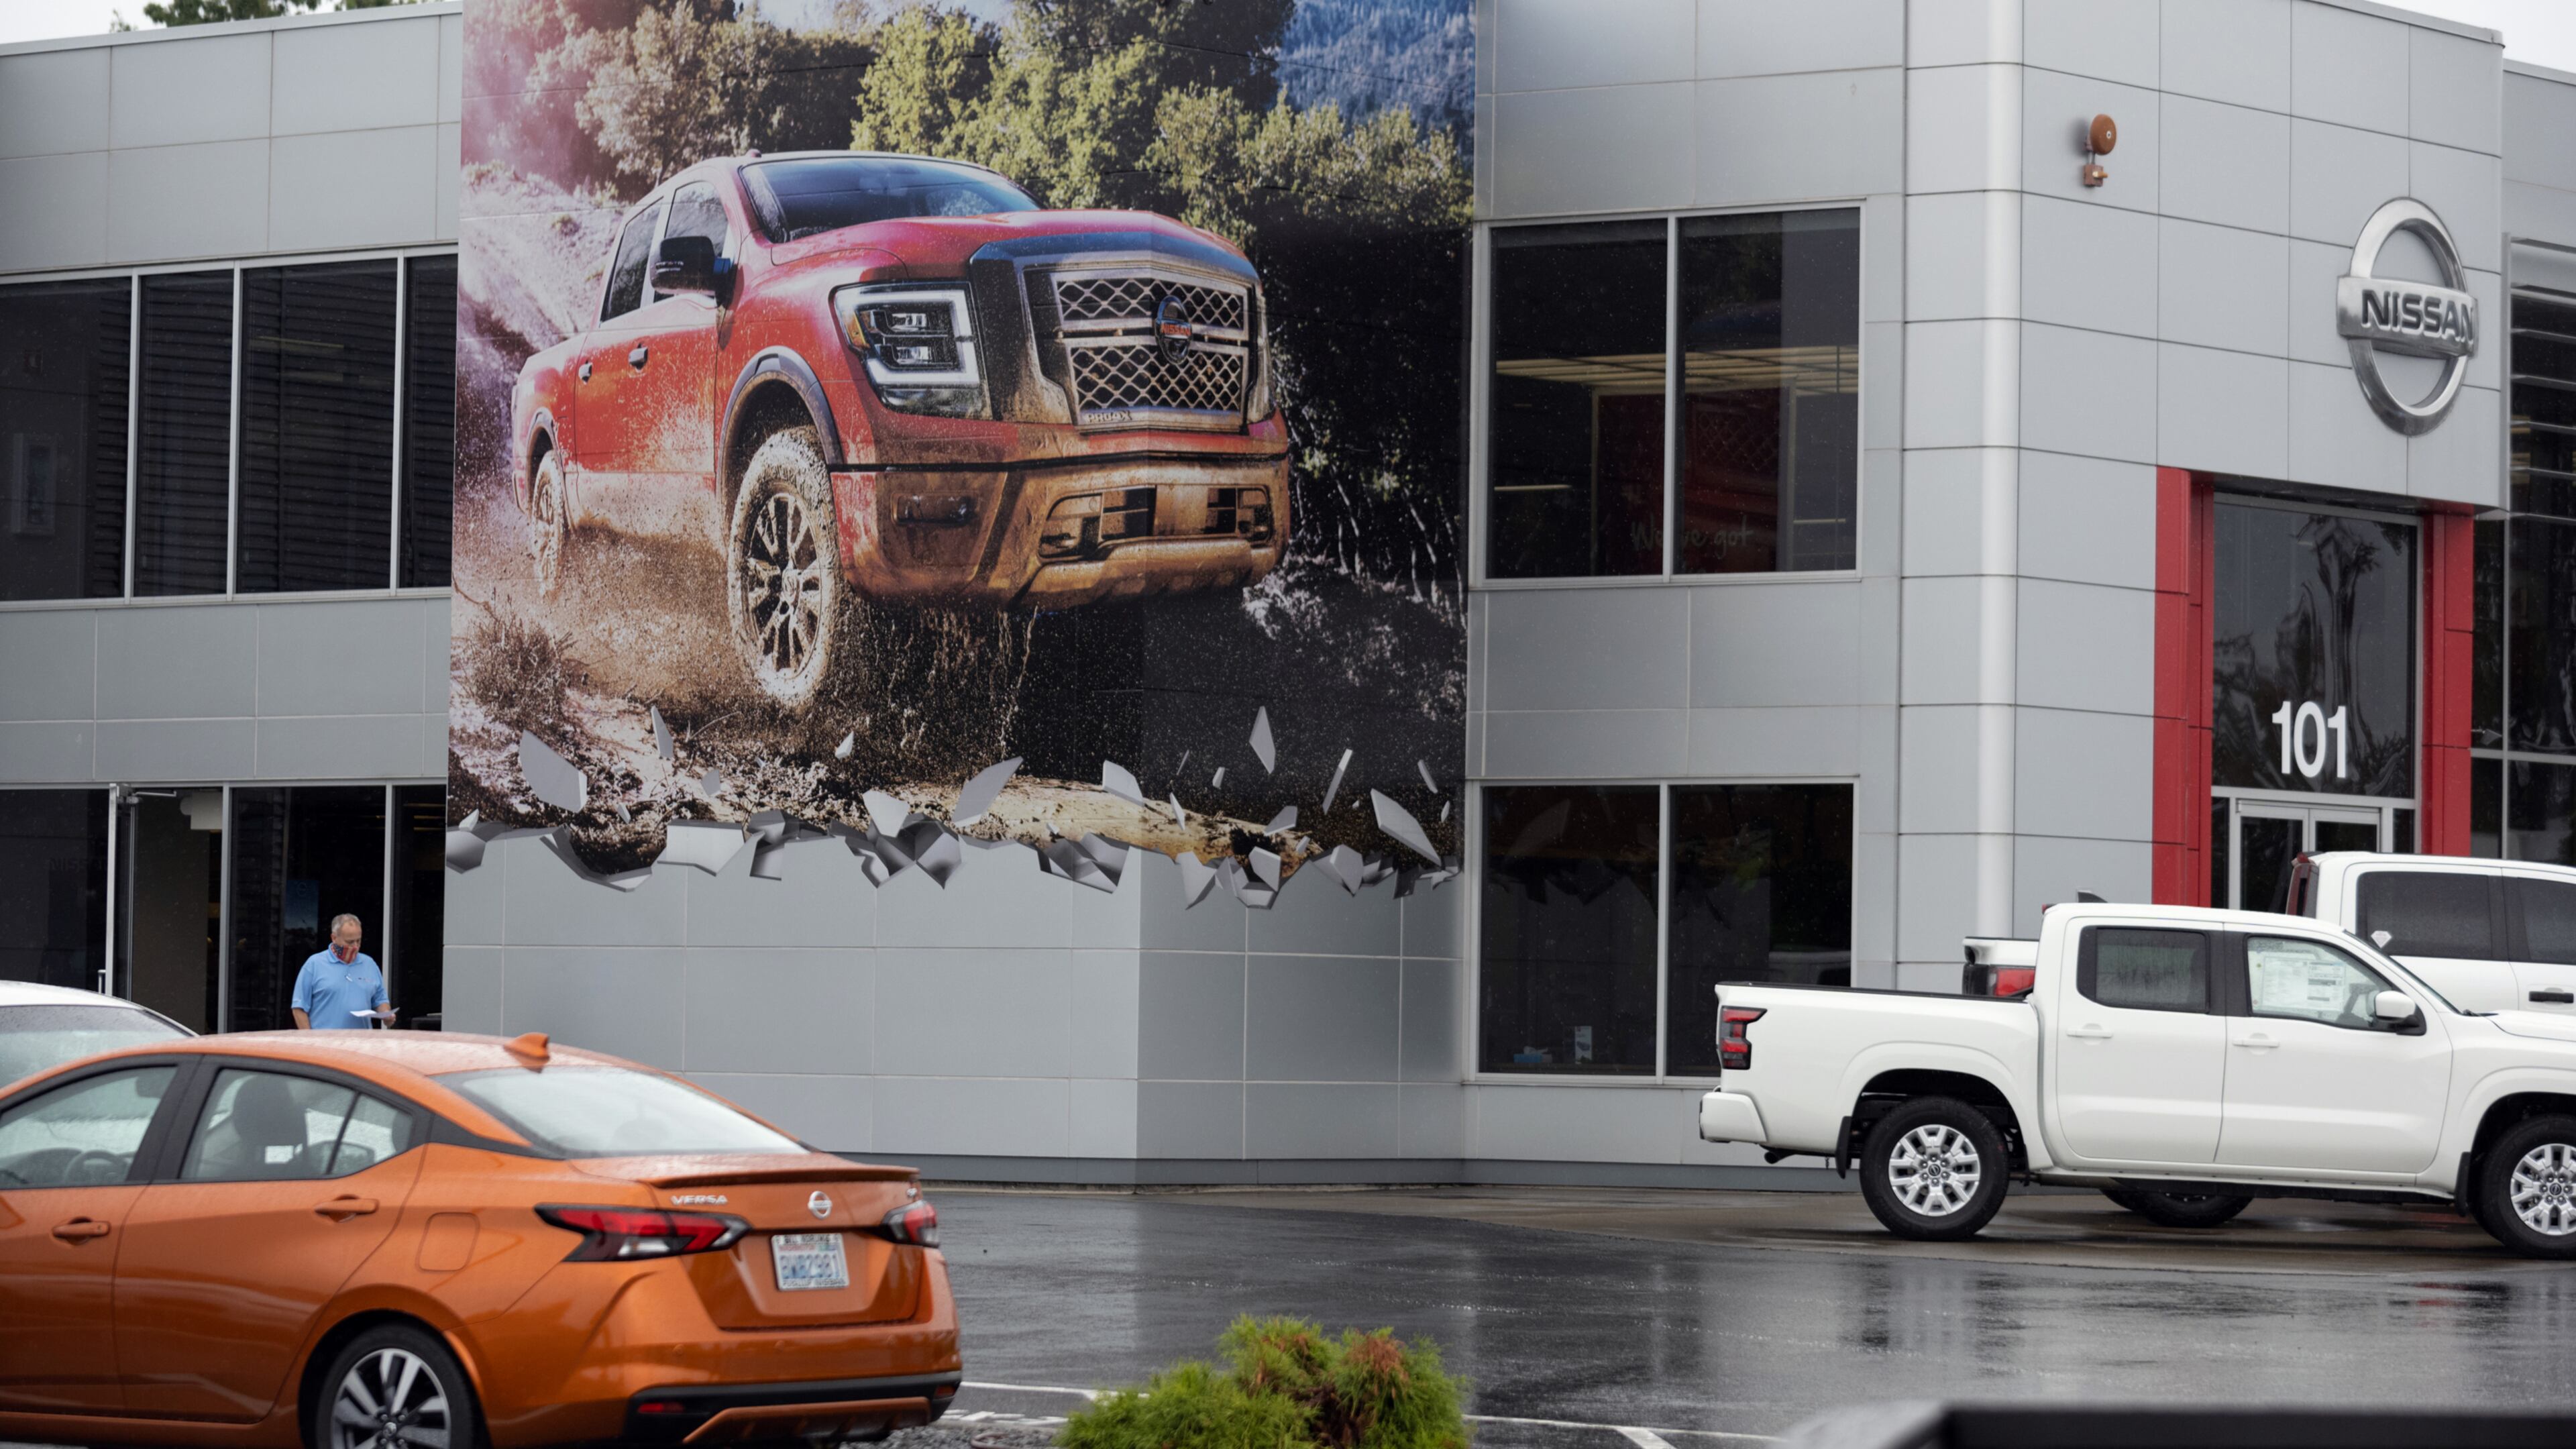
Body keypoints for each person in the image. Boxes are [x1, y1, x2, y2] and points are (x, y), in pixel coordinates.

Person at [290, 914, 392, 1030]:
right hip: (324, 1044)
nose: (355, 946)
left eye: (358, 941)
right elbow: (299, 1008)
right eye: (350, 942)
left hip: (360, 1044)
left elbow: (380, 1000)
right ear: (334, 938)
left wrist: (387, 1015)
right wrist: (310, 1041)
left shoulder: (370, 964)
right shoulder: (314, 964)